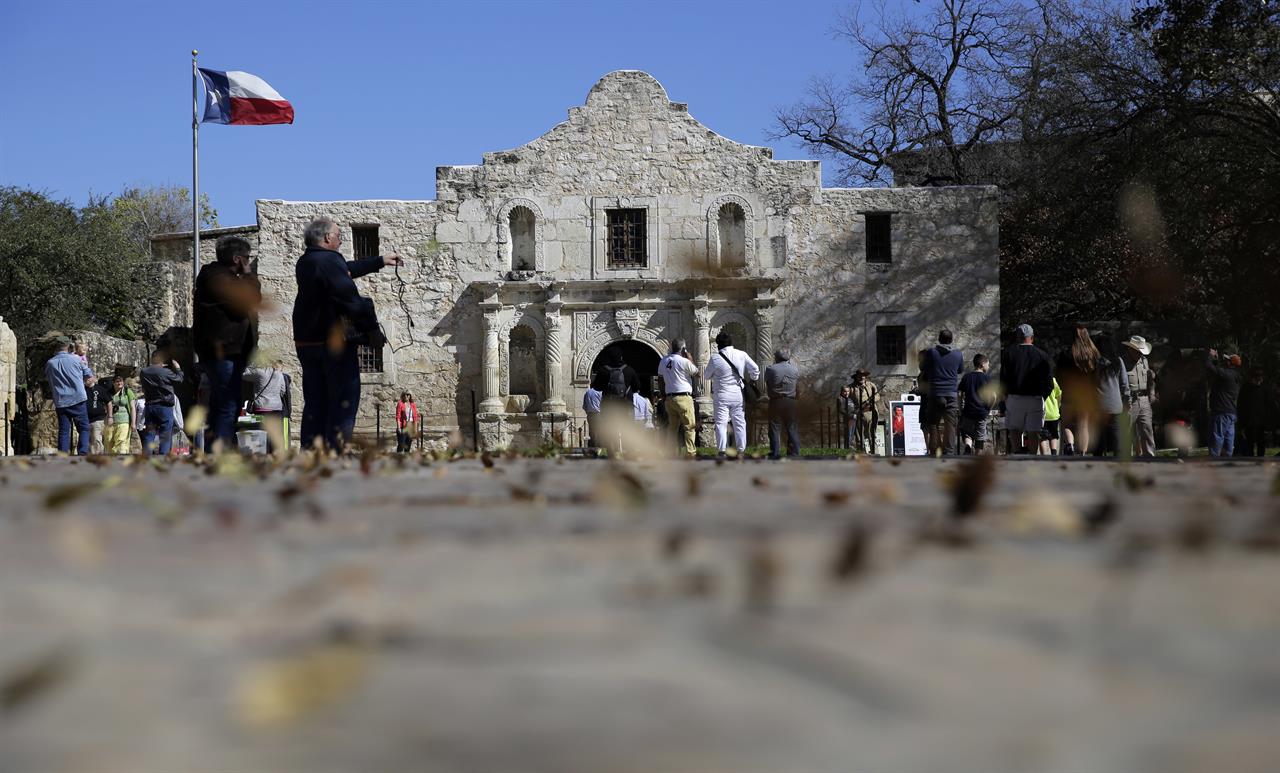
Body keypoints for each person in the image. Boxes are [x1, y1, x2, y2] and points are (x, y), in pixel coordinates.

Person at [292, 218, 400, 451]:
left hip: (306, 342)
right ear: (327, 238)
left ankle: (311, 453)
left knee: (315, 402)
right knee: (343, 401)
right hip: (332, 344)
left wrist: (379, 261)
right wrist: (372, 330)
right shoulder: (330, 261)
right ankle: (335, 453)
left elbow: (344, 270)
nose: (341, 240)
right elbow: (349, 298)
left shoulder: (307, 261)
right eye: (339, 235)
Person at [194, 235, 261, 453]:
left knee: (223, 402)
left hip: (229, 351)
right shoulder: (218, 278)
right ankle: (221, 452)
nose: (248, 263)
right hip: (223, 352)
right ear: (237, 259)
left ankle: (216, 449)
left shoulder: (221, 278)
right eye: (247, 259)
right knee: (228, 402)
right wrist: (250, 276)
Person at [703, 331, 759, 457]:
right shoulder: (741, 354)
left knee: (721, 423)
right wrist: (752, 380)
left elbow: (706, 376)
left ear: (718, 345)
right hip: (737, 393)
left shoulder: (715, 358)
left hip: (721, 394)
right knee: (739, 422)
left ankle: (722, 450)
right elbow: (755, 369)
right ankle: (741, 450)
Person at [999, 323, 1053, 454]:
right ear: (1032, 337)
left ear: (1017, 337)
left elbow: (1003, 379)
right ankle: (1032, 455)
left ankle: (1017, 453)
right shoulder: (1042, 355)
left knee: (1014, 429)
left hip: (1015, 397)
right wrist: (1043, 396)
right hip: (1035, 398)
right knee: (1033, 431)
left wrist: (1005, 397)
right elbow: (1049, 382)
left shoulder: (1009, 353)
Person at [1055, 324, 1101, 456]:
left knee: (1067, 424)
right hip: (1086, 395)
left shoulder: (1066, 354)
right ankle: (1082, 452)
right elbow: (1097, 377)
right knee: (1084, 425)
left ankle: (1069, 444)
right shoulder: (1093, 355)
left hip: (1069, 394)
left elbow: (1059, 376)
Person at [44, 339, 95, 455]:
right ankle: (82, 453)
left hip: (61, 400)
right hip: (78, 399)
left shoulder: (50, 363)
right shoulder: (76, 359)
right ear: (68, 347)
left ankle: (63, 455)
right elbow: (88, 375)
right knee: (83, 428)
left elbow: (48, 379)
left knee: (64, 430)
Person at [919, 329, 964, 455]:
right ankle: (949, 451)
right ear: (952, 339)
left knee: (933, 423)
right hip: (951, 393)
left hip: (935, 393)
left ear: (939, 339)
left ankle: (934, 450)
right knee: (950, 424)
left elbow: (923, 368)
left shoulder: (931, 353)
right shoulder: (958, 354)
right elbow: (960, 370)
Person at [657, 339, 699, 458]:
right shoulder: (684, 361)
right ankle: (690, 452)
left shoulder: (663, 361)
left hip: (670, 398)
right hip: (684, 397)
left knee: (672, 428)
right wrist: (690, 358)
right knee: (689, 427)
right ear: (683, 349)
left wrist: (663, 394)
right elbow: (698, 373)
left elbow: (660, 379)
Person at [139, 351, 183, 457]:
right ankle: (163, 457)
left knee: (149, 434)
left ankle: (146, 456)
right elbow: (179, 379)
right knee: (165, 433)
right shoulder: (165, 372)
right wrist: (178, 368)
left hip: (150, 405)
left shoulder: (144, 372)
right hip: (164, 406)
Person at [1092, 335, 1130, 457]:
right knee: (1117, 439)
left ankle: (1097, 464)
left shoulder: (1093, 362)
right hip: (1115, 405)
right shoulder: (1118, 361)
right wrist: (1126, 401)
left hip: (1098, 406)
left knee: (1099, 441)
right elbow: (1124, 384)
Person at [1121, 335, 1157, 457]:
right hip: (1129, 400)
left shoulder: (1144, 360)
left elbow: (1150, 380)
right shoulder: (1122, 362)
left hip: (1144, 399)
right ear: (1131, 349)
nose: (1140, 353)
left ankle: (1150, 457)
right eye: (1138, 351)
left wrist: (1151, 393)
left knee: (1147, 430)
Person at [245, 360, 290, 453]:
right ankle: (273, 455)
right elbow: (283, 391)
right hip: (276, 408)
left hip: (261, 408)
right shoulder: (279, 374)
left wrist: (252, 364)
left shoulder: (259, 372)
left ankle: (261, 455)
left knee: (260, 433)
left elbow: (245, 374)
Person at [1205, 348, 1243, 457]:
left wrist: (1211, 356)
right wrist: (1216, 361)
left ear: (1230, 363)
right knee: (1228, 438)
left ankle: (1214, 459)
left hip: (1221, 412)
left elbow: (1209, 366)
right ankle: (1228, 459)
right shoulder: (1235, 375)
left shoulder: (1226, 374)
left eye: (1227, 360)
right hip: (1231, 412)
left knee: (1217, 436)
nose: (1225, 361)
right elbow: (1218, 370)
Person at [764, 348, 800, 459]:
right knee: (791, 427)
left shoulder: (771, 369)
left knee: (774, 427)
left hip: (776, 401)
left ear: (777, 357)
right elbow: (797, 385)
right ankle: (794, 451)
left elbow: (767, 383)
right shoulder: (794, 369)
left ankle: (775, 452)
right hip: (791, 401)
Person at [958, 353, 992, 454]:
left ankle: (968, 446)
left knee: (968, 434)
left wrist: (961, 409)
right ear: (982, 364)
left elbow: (959, 394)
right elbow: (993, 396)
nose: (988, 367)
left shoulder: (967, 377)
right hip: (982, 412)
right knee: (980, 437)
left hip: (968, 411)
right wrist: (989, 408)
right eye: (987, 364)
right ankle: (978, 456)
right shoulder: (987, 378)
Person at [848, 369, 880, 454]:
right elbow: (848, 400)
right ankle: (861, 452)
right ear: (856, 377)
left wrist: (872, 401)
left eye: (864, 376)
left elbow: (877, 395)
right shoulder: (851, 387)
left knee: (871, 433)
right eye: (860, 376)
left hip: (870, 412)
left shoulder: (871, 385)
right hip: (858, 413)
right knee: (859, 435)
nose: (862, 377)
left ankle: (874, 452)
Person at [1237, 370, 1267, 457]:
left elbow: (1268, 404)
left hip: (1261, 421)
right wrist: (1241, 423)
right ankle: (1251, 458)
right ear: (1252, 379)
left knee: (1261, 442)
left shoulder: (1264, 388)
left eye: (1260, 380)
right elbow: (1240, 406)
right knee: (1249, 442)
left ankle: (1260, 458)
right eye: (1257, 380)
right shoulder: (1245, 389)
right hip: (1248, 421)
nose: (1259, 382)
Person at [106, 375, 136, 454]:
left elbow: (133, 408)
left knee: (121, 442)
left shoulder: (127, 391)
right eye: (117, 381)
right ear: (113, 383)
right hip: (111, 422)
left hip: (124, 421)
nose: (119, 383)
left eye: (121, 381)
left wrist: (133, 423)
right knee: (109, 442)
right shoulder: (109, 393)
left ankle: (121, 459)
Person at [85, 373, 111, 454]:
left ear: (94, 378)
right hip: (85, 420)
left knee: (97, 439)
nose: (87, 379)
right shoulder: (82, 390)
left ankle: (99, 458)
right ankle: (91, 459)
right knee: (88, 442)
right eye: (85, 377)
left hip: (98, 419)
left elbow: (109, 402)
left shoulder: (100, 389)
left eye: (89, 377)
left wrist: (110, 417)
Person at [1040, 377, 1063, 455]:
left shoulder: (1037, 379)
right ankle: (1053, 454)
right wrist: (1058, 406)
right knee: (1053, 435)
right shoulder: (1053, 380)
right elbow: (1059, 394)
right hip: (1053, 413)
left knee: (1042, 437)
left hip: (1041, 413)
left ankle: (1043, 455)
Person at [582, 381, 603, 449]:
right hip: (598, 414)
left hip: (590, 415)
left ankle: (592, 449)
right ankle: (599, 450)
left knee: (592, 432)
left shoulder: (587, 392)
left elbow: (584, 406)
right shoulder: (599, 393)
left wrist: (588, 412)